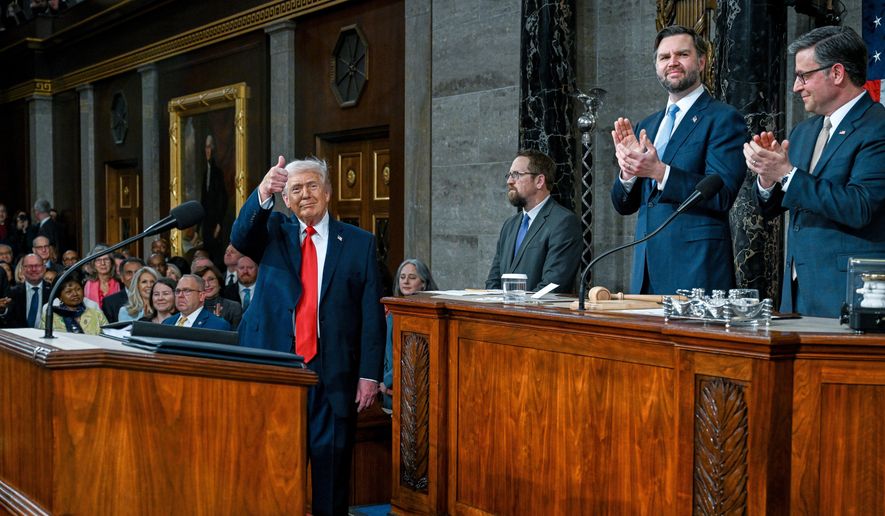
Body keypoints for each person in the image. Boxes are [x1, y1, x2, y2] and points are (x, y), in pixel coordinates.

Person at [231, 155, 385, 515]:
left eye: (312, 185)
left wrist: (369, 375)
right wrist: (263, 190)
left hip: (332, 377)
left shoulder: (360, 243)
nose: (305, 194)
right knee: (273, 478)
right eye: (295, 188)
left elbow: (370, 315)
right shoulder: (272, 233)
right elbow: (240, 235)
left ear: (328, 192)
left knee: (331, 486)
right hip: (278, 374)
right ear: (286, 200)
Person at [744, 26, 885, 318]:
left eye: (804, 76)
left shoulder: (878, 126)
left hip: (847, 292)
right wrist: (768, 178)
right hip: (796, 293)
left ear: (836, 73)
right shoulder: (804, 132)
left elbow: (860, 206)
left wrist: (786, 174)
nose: (796, 87)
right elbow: (776, 206)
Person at [610, 25, 746, 295]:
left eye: (682, 54)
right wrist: (628, 173)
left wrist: (661, 173)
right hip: (646, 270)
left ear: (702, 61)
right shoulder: (647, 125)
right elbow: (624, 205)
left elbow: (721, 194)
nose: (672, 62)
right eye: (664, 57)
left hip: (696, 268)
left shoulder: (723, 118)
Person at [485, 150, 581, 293]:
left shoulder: (563, 222)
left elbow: (553, 285)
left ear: (539, 181)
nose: (509, 181)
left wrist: (517, 309)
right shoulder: (509, 225)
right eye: (509, 175)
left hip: (538, 313)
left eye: (516, 175)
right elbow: (493, 280)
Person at [380, 259, 438, 412]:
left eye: (412, 277)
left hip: (412, 391)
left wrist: (387, 381)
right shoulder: (392, 311)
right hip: (387, 392)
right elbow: (387, 351)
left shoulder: (425, 315)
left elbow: (411, 356)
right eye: (402, 277)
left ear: (424, 283)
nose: (406, 281)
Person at [38, 271, 108, 335]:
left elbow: (108, 338)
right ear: (60, 297)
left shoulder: (97, 315)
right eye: (69, 292)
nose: (75, 294)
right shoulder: (50, 317)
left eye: (78, 289)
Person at [161, 274, 231, 330]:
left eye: (187, 291)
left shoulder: (218, 325)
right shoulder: (167, 323)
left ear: (201, 296)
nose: (180, 295)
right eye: (178, 291)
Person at [0, 254, 50, 328]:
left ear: (44, 268)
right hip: (19, 337)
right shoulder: (12, 293)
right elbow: (7, 319)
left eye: (37, 266)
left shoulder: (54, 291)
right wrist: (2, 310)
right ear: (22, 270)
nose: (33, 269)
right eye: (29, 266)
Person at [201, 134, 228, 266]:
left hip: (216, 222)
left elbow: (222, 199)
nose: (208, 151)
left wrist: (219, 223)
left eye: (211, 147)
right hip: (206, 222)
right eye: (206, 147)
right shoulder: (205, 171)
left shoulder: (218, 172)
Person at [195, 264, 242, 330]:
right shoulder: (193, 307)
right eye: (202, 281)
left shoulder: (233, 307)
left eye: (211, 279)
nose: (207, 285)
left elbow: (236, 336)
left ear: (219, 283)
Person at [101, 257, 145, 323]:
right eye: (129, 273)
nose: (134, 277)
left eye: (137, 272)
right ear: (122, 278)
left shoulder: (154, 297)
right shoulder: (110, 302)